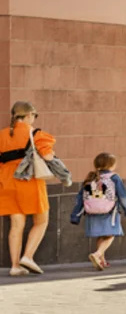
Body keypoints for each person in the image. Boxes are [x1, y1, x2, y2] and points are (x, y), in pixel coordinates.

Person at [1, 101, 55, 276]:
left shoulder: (2, 135)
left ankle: (15, 266)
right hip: (30, 182)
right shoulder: (36, 134)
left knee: (16, 225)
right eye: (34, 115)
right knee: (41, 221)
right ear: (29, 115)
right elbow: (47, 156)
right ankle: (28, 256)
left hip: (7, 182)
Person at [70, 152, 126, 270]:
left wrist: (75, 216)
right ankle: (98, 254)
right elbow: (123, 196)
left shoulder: (91, 177)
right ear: (111, 165)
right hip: (109, 212)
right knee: (111, 234)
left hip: (91, 212)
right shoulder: (114, 177)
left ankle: (102, 261)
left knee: (100, 235)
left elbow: (80, 197)